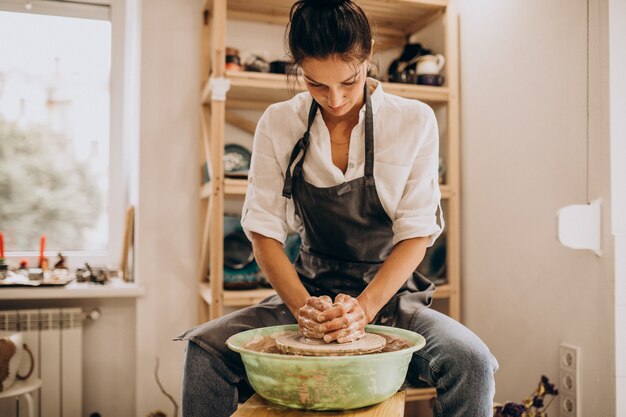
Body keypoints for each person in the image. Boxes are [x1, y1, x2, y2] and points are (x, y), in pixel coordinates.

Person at [176, 0, 498, 415]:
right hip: (308, 292)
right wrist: (303, 310)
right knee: (204, 351)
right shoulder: (278, 123)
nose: (336, 99)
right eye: (316, 85)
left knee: (471, 361)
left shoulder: (414, 121)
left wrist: (362, 311)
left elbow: (417, 234)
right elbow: (263, 234)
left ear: (368, 56)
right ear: (298, 70)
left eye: (349, 81)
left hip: (391, 300)